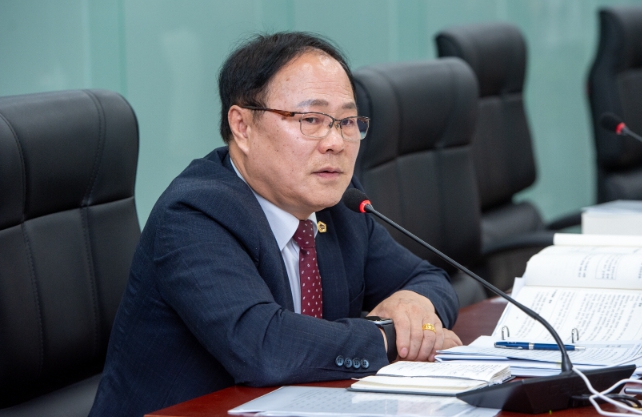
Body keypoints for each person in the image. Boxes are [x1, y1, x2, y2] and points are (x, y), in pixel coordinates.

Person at [89, 32, 462, 417]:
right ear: (243, 127)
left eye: (347, 121)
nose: (335, 142)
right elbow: (264, 347)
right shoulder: (194, 214)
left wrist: (415, 304)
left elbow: (429, 279)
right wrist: (389, 334)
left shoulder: (338, 203)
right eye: (311, 119)